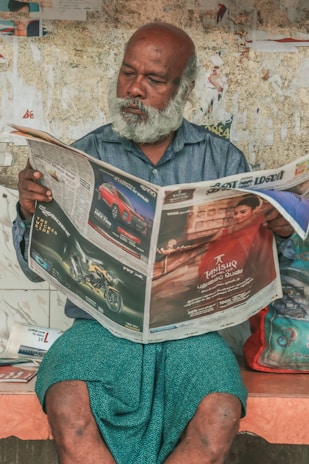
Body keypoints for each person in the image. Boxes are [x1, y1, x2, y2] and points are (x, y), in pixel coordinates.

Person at [13, 22, 293, 464]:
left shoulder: (223, 160)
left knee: (219, 411)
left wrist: (276, 228)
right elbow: (34, 267)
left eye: (154, 80)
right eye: (128, 73)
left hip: (194, 335)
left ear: (185, 89)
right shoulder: (82, 156)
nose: (134, 90)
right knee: (67, 404)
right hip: (98, 331)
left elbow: (257, 273)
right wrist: (31, 214)